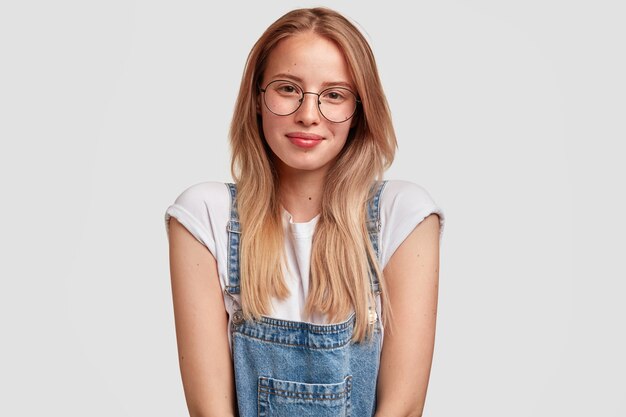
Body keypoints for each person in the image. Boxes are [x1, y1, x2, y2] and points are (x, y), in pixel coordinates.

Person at [164, 7, 445, 416]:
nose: (309, 115)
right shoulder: (206, 216)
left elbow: (402, 408)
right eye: (287, 88)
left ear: (359, 111)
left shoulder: (402, 215)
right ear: (257, 99)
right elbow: (210, 410)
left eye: (334, 94)